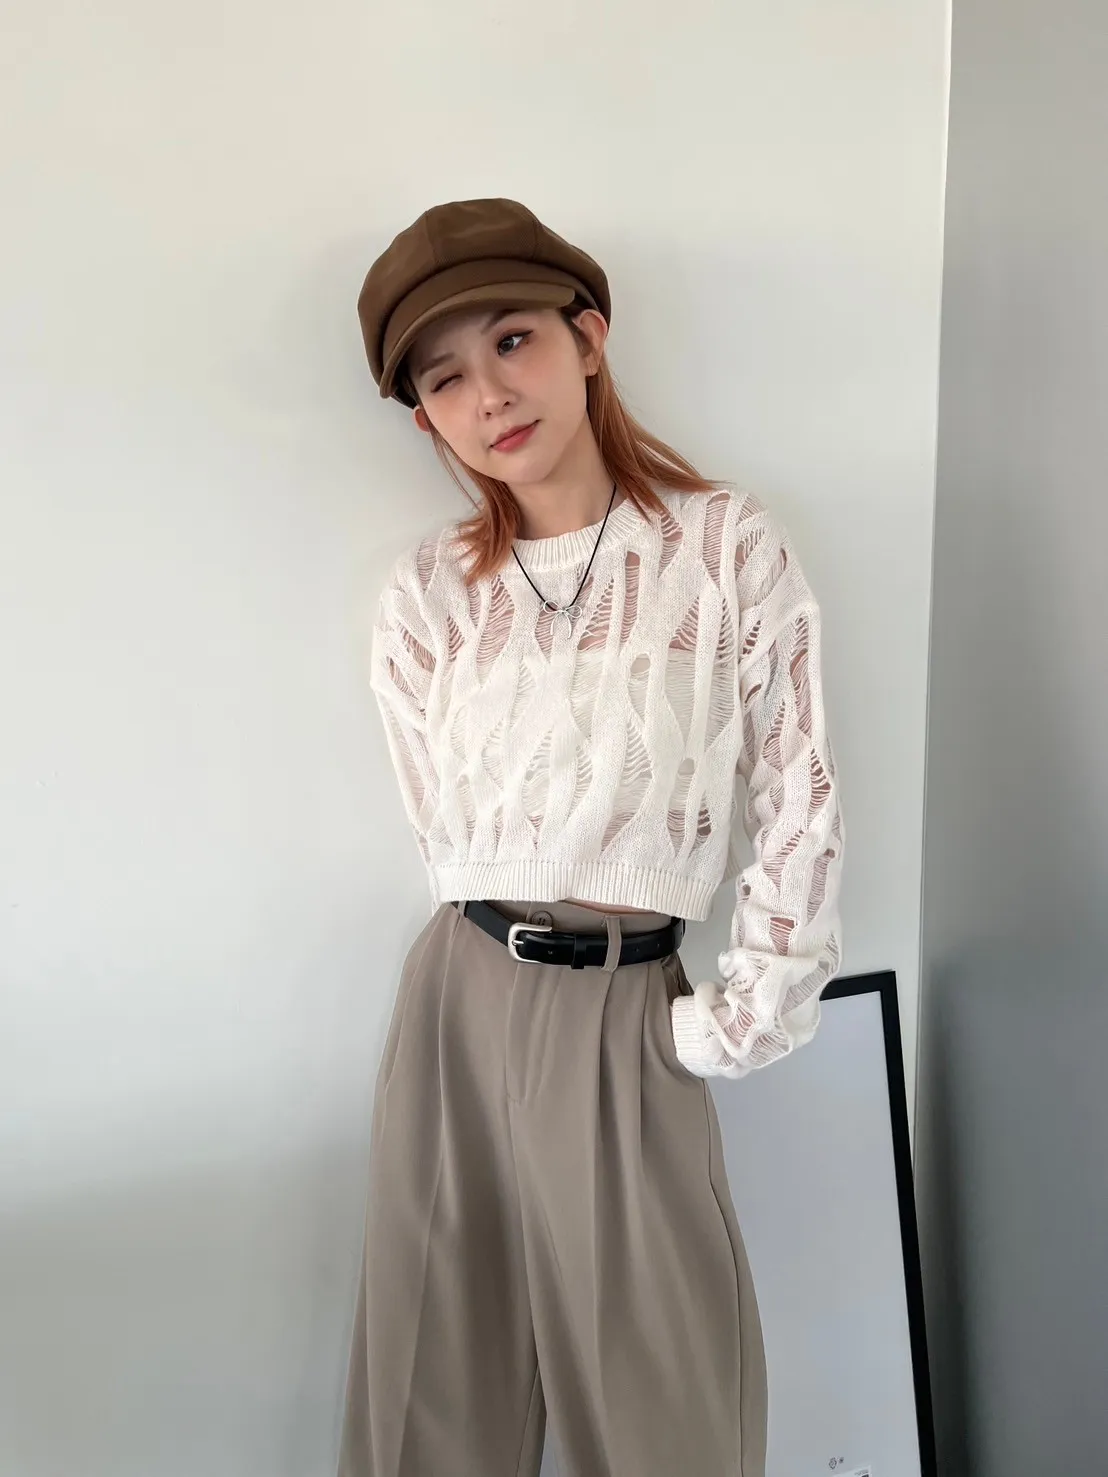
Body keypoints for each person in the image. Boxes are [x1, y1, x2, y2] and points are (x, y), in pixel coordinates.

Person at [339, 197, 844, 1477]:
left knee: (666, 1403)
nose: (489, 395)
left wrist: (746, 1010)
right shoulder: (428, 594)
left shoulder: (722, 547)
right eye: (444, 378)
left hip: (627, 1004)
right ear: (425, 418)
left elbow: (798, 786)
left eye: (512, 340)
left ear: (588, 336)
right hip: (457, 1000)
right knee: (432, 1391)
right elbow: (443, 822)